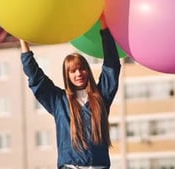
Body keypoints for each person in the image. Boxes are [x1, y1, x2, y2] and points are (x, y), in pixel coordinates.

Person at [20, 15, 121, 169]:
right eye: (73, 71)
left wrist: (104, 25)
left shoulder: (101, 97)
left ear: (87, 71)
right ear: (67, 75)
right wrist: (22, 41)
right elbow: (35, 77)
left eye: (82, 69)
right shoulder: (58, 101)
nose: (78, 73)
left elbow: (112, 66)